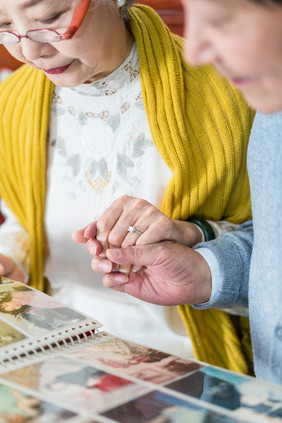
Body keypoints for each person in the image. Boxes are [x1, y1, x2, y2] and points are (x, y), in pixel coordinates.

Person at [0, 0, 254, 367]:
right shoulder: (11, 103)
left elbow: (269, 246)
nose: (30, 51)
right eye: (4, 24)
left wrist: (195, 233)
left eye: (49, 18)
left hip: (188, 354)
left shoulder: (233, 92)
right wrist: (14, 261)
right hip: (52, 345)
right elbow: (22, 221)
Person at [81, 0, 282, 384]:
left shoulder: (242, 97)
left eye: (221, 21)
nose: (193, 50)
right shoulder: (272, 112)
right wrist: (206, 271)